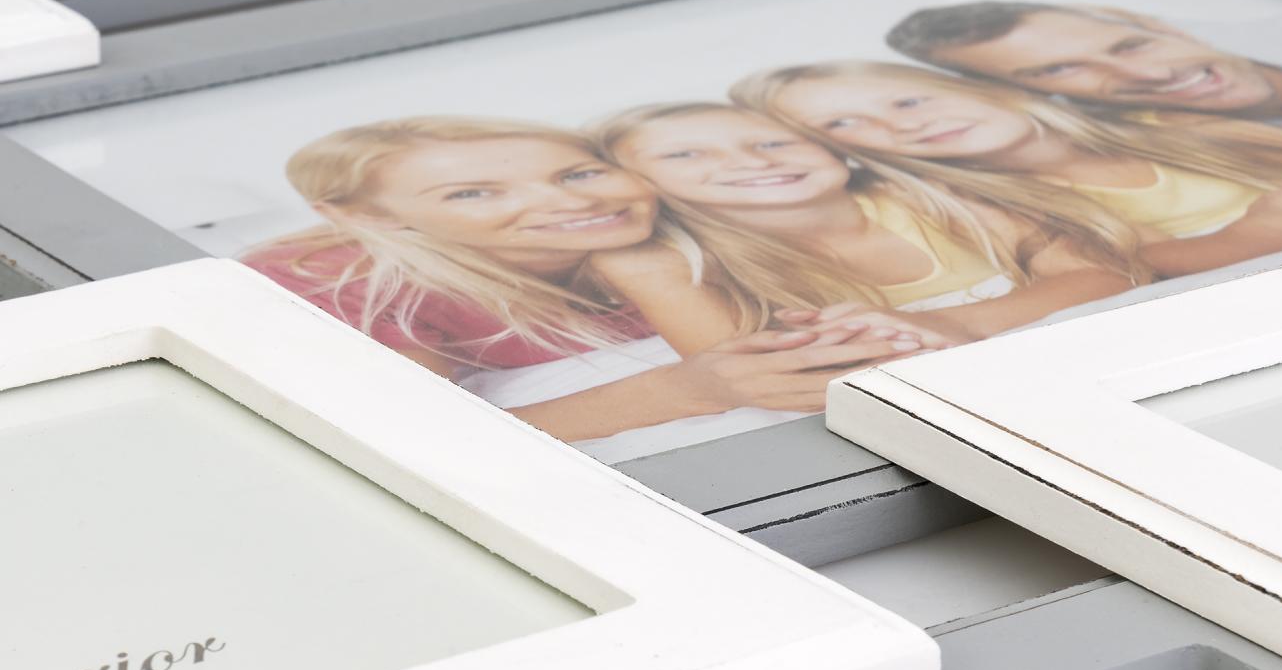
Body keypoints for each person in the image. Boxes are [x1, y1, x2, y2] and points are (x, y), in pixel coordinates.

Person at [252, 116, 928, 445]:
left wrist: (648, 271)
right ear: (366, 217)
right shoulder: (343, 286)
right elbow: (422, 443)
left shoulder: (674, 228)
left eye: (579, 173)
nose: (570, 202)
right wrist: (681, 390)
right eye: (471, 194)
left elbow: (774, 367)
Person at [740, 59, 1282, 274]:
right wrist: (1264, 230)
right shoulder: (983, 199)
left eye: (909, 99)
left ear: (983, 88)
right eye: (845, 126)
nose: (901, 125)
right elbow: (1145, 263)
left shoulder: (1174, 128)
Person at [595, 101, 1140, 350]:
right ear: (637, 184)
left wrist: (951, 323)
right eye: (684, 155)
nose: (752, 161)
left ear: (835, 148)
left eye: (774, 142)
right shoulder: (685, 263)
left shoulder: (922, 198)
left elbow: (1106, 275)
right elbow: (751, 371)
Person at [885, 1, 1282, 154]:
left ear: (1156, 24)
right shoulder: (1190, 153)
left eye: (1133, 44)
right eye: (1063, 69)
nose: (1154, 74)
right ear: (1037, 95)